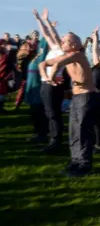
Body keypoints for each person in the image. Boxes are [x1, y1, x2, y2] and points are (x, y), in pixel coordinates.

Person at [38, 31, 100, 177]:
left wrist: (52, 77)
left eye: (65, 41)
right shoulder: (67, 56)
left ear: (75, 44)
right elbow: (42, 64)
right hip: (77, 98)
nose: (62, 43)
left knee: (82, 132)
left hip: (87, 97)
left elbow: (57, 64)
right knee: (74, 132)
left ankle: (84, 165)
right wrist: (47, 77)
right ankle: (75, 161)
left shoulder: (77, 55)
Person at [33, 9, 66, 153]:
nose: (61, 39)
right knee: (51, 112)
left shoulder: (63, 53)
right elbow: (46, 34)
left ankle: (55, 141)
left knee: (53, 113)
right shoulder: (55, 49)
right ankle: (53, 138)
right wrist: (40, 19)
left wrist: (48, 22)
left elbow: (52, 34)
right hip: (47, 83)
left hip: (53, 85)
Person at [25, 36, 49, 142]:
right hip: (32, 90)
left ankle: (42, 134)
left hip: (38, 93)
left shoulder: (42, 58)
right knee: (34, 114)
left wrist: (47, 33)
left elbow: (44, 44)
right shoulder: (36, 57)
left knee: (39, 114)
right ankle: (38, 133)